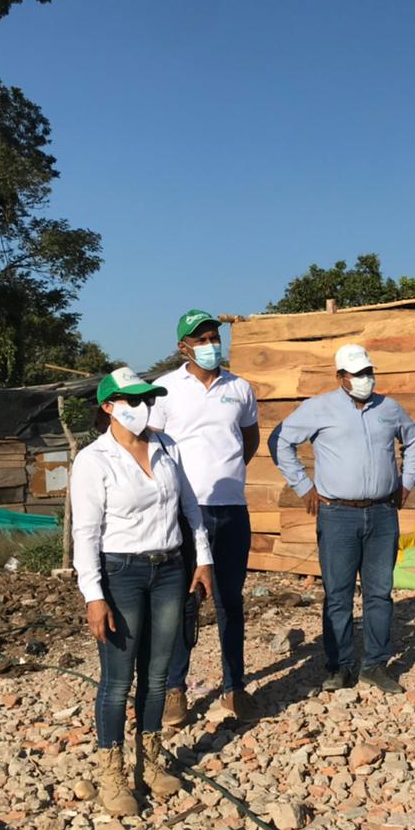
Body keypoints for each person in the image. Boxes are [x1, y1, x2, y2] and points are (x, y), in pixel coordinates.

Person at [71, 366, 213, 816]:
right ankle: (111, 774)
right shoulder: (94, 460)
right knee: (118, 680)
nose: (143, 407)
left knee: (157, 674)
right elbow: (85, 534)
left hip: (169, 568)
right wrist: (94, 595)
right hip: (121, 573)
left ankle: (149, 761)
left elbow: (189, 507)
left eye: (147, 399)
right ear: (109, 406)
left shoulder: (166, 446)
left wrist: (203, 558)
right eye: (132, 400)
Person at [271, 344, 415, 695]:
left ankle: (375, 665)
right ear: (340, 376)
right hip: (337, 514)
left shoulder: (389, 408)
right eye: (357, 374)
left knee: (379, 593)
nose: (365, 379)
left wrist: (407, 481)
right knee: (338, 595)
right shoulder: (319, 408)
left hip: (383, 513)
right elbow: (280, 441)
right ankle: (339, 666)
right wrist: (303, 486)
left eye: (368, 372)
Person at [149, 309, 260, 728]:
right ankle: (175, 689)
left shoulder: (240, 388)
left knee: (231, 600)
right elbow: (153, 445)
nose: (212, 344)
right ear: (184, 348)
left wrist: (225, 473)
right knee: (182, 602)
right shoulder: (165, 390)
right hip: (183, 511)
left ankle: (234, 687)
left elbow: (248, 439)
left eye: (215, 337)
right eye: (202, 339)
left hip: (231, 509)